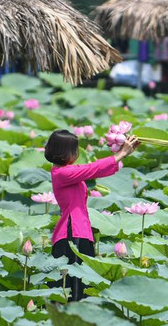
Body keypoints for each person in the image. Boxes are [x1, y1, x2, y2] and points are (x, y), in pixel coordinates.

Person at [45, 129, 140, 301]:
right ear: (64, 152)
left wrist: (124, 153)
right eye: (75, 149)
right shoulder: (62, 174)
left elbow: (93, 170)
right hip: (72, 232)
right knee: (74, 287)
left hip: (81, 230)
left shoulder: (66, 171)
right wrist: (122, 153)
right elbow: (92, 169)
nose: (77, 153)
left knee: (83, 281)